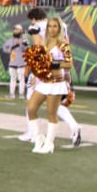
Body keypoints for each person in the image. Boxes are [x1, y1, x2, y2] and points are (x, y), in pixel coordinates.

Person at [18, 8, 81, 146]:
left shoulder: (36, 27)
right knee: (55, 104)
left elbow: (39, 49)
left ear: (34, 18)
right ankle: (74, 126)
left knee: (31, 102)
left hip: (47, 69)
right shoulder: (60, 25)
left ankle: (32, 133)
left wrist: (35, 72)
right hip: (61, 69)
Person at [26, 17, 72, 154]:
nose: (52, 29)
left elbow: (69, 63)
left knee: (51, 114)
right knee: (31, 108)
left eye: (55, 26)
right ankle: (39, 138)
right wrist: (35, 75)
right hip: (43, 81)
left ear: (59, 29)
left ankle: (49, 143)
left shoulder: (63, 44)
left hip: (56, 82)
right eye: (50, 26)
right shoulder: (44, 44)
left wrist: (55, 63)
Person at [3, 24, 28, 99]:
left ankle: (21, 94)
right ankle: (11, 94)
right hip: (12, 62)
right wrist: (9, 49)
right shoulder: (9, 40)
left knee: (21, 79)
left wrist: (22, 44)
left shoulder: (24, 40)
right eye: (15, 29)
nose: (16, 31)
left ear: (21, 31)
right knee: (12, 78)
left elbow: (26, 49)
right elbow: (5, 49)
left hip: (21, 62)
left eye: (18, 30)